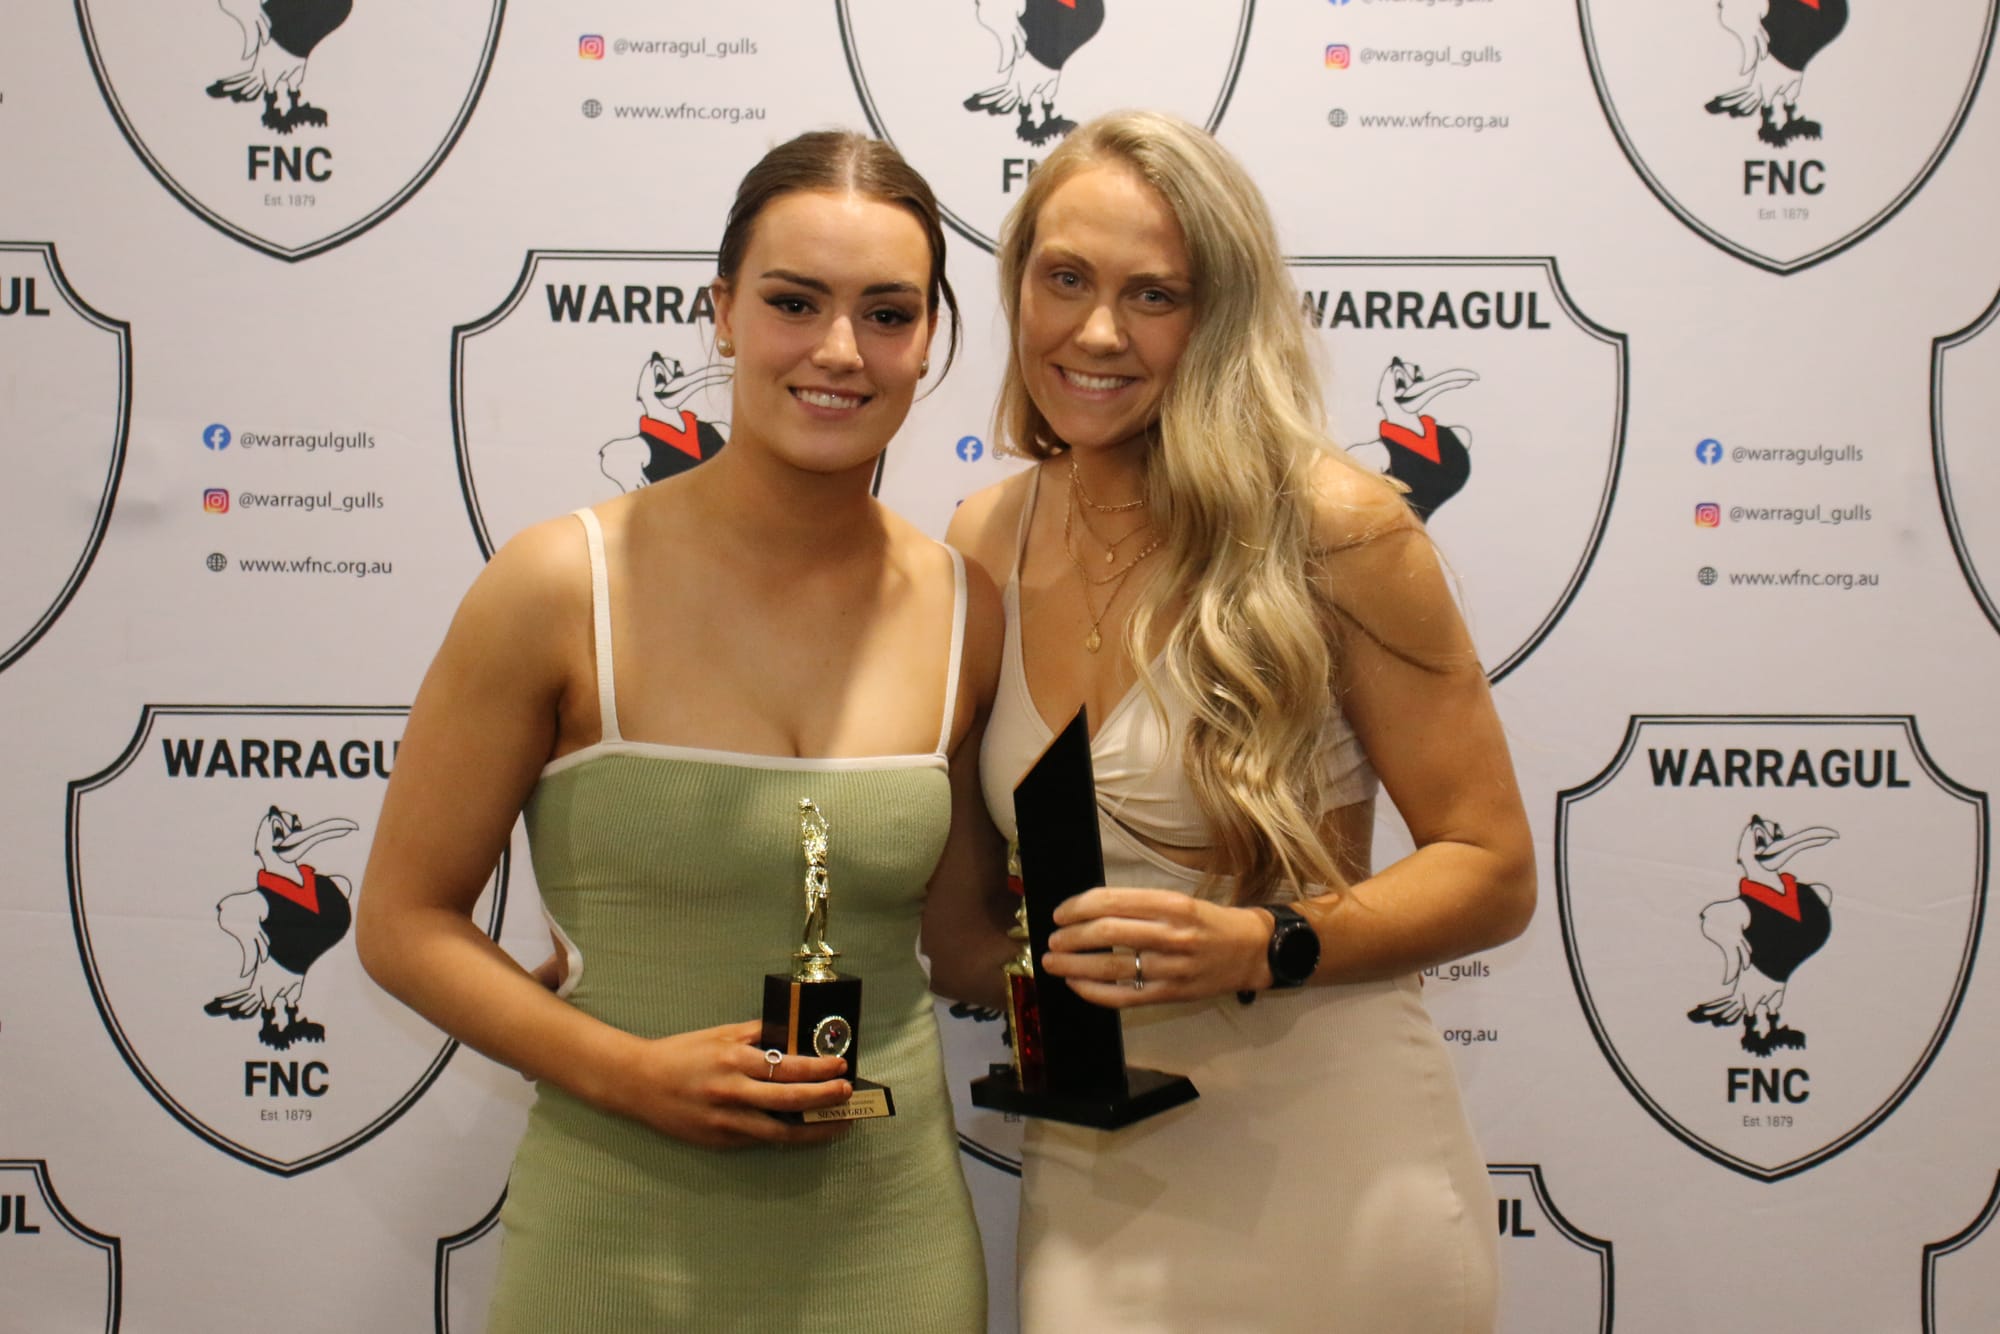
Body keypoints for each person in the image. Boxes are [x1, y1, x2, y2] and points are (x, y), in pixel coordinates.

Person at [357, 130, 1012, 1333]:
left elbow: (967, 944)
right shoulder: (561, 584)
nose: (836, 351)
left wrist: (1205, 925)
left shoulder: (970, 609)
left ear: (930, 340)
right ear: (719, 313)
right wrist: (630, 1072)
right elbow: (401, 923)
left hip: (889, 1248)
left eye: (886, 312)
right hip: (615, 1238)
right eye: (792, 302)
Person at [947, 111, 1536, 1333]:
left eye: (1151, 293)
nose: (1096, 331)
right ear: (1018, 286)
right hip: (1101, 1170)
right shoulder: (982, 539)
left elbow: (1491, 872)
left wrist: (1262, 944)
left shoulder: (1334, 524)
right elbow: (961, 927)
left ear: (1218, 313)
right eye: (1064, 279)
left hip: (1336, 1165)